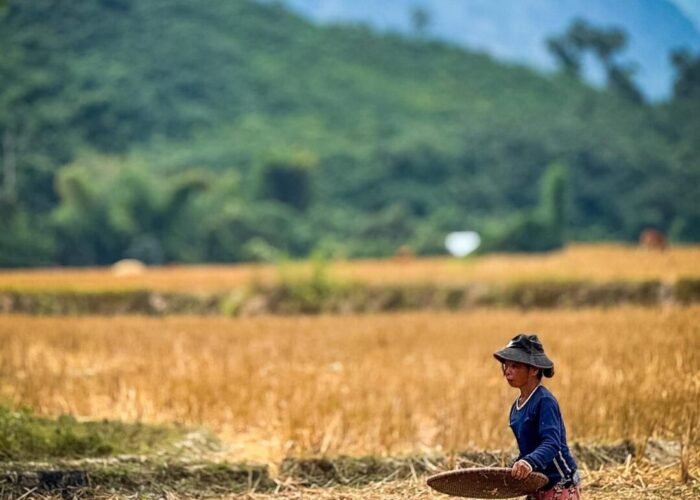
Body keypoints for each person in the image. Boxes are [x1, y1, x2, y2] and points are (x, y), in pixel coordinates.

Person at [494, 334, 581, 500]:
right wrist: (516, 465)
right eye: (506, 366)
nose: (507, 371)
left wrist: (528, 463)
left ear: (534, 369)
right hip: (537, 484)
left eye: (515, 366)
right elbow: (528, 449)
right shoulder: (516, 407)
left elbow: (551, 443)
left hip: (560, 484)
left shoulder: (544, 401)